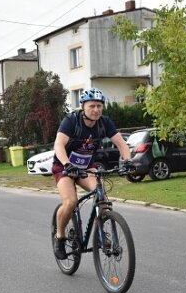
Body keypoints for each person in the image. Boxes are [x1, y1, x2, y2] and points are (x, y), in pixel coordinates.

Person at [51, 88, 131, 259]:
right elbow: (58, 145)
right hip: (64, 166)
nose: (96, 110)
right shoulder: (71, 121)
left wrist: (128, 161)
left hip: (87, 166)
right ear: (83, 107)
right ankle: (60, 236)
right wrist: (67, 164)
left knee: (101, 196)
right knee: (71, 201)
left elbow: (121, 144)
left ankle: (100, 235)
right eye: (92, 106)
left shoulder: (104, 122)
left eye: (99, 106)